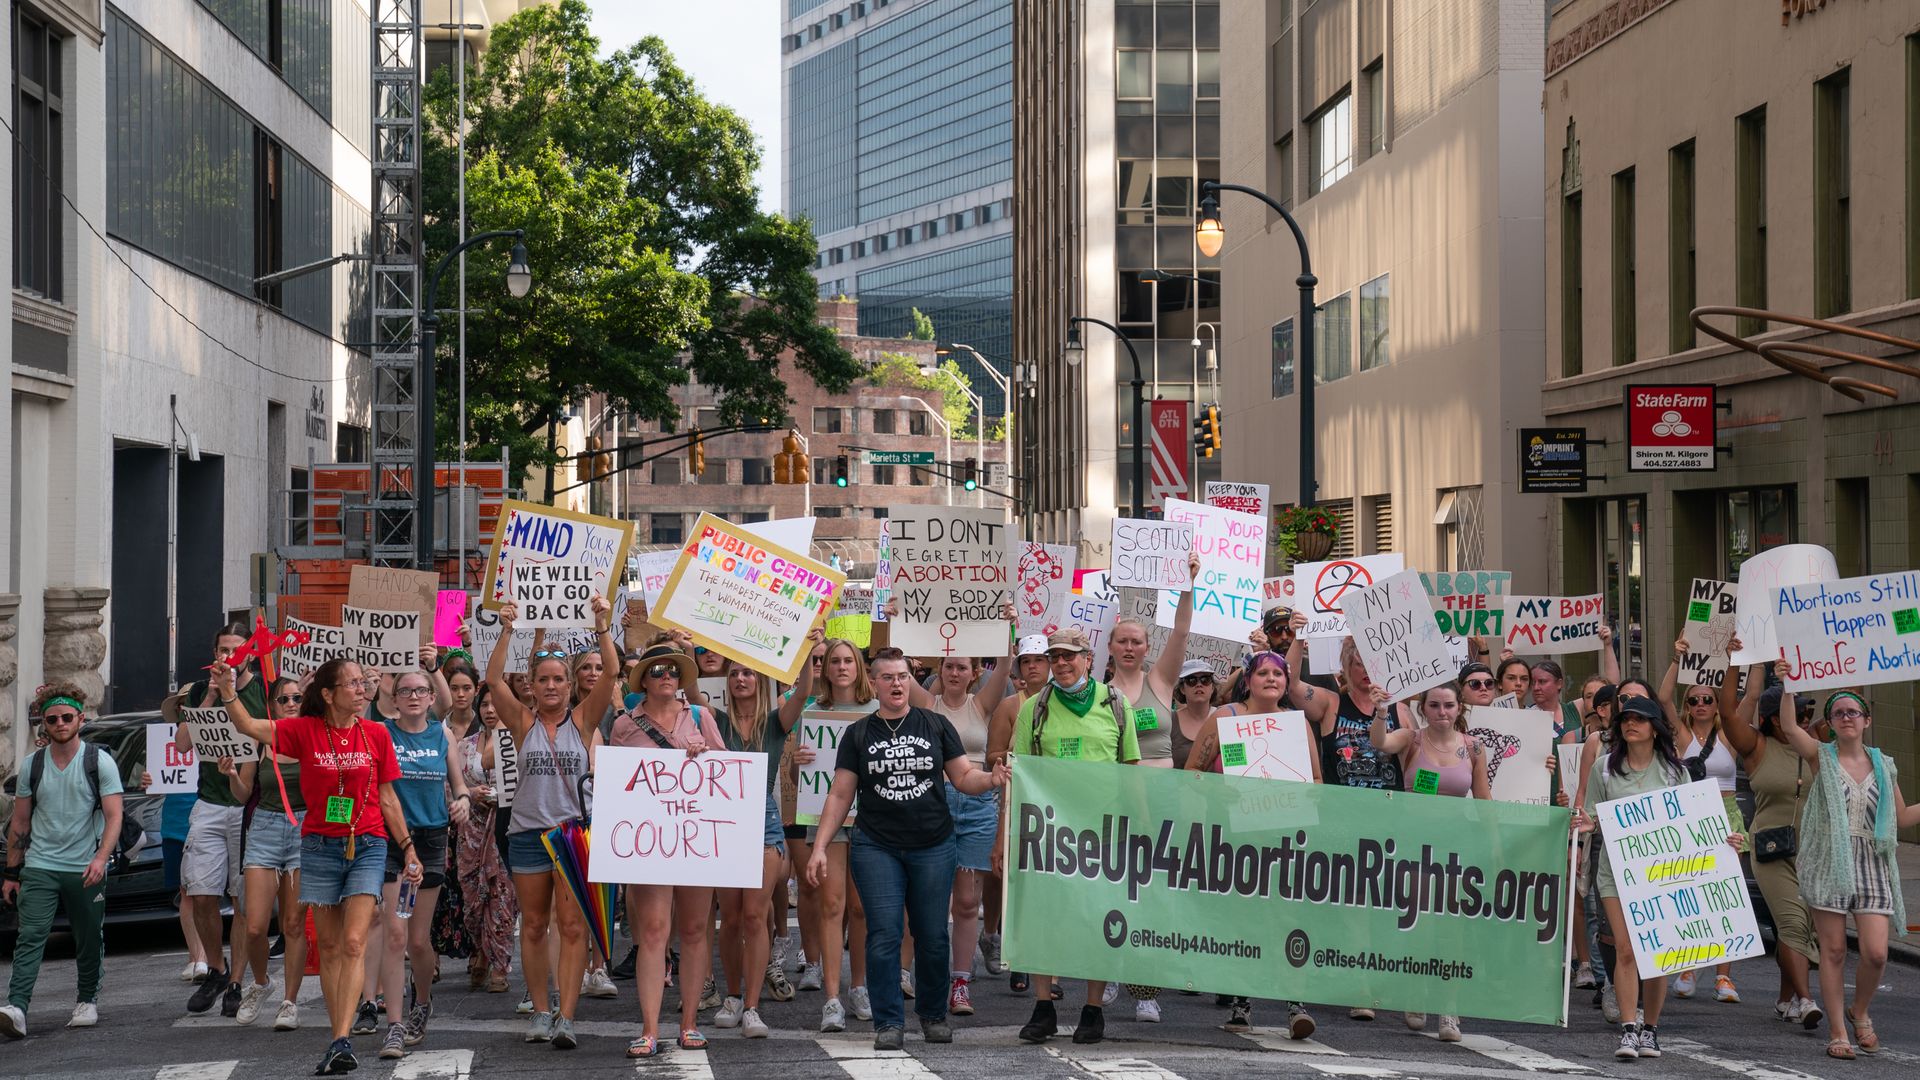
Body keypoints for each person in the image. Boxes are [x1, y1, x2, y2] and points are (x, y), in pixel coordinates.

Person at [216, 658, 421, 1075]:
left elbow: (387, 798)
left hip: (368, 844)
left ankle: (342, 1038)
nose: (362, 691)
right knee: (327, 947)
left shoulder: (376, 734)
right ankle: (338, 1037)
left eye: (364, 684)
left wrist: (409, 847)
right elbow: (249, 726)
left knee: (352, 941)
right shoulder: (305, 730)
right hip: (319, 847)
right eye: (352, 685)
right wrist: (227, 691)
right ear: (328, 694)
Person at [808, 648, 1011, 1051]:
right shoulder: (859, 733)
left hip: (933, 845)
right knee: (885, 933)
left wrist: (991, 780)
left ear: (909, 680)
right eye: (887, 677)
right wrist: (819, 847)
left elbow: (962, 776)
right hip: (876, 846)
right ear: (875, 683)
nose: (897, 683)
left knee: (932, 935)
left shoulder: (935, 725)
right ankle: (888, 1022)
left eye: (902, 676)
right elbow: (840, 794)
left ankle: (933, 1015)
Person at [483, 596, 620, 1050]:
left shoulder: (584, 720)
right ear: (533, 685)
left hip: (573, 835)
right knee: (536, 925)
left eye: (559, 678)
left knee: (574, 926)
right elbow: (492, 679)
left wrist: (601, 625)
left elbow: (613, 674)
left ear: (569, 684)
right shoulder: (522, 723)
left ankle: (567, 1015)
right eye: (543, 679)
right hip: (526, 836)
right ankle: (541, 1011)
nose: (552, 686)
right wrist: (507, 629)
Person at [1571, 694, 1732, 1061]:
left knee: (1658, 955)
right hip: (1615, 872)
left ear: (1654, 728)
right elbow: (1593, 814)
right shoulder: (1605, 769)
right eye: (1626, 718)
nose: (1631, 724)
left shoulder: (1676, 772)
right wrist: (1586, 822)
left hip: (1661, 876)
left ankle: (1651, 1030)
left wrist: (1724, 839)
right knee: (1626, 950)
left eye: (1640, 719)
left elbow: (1694, 823)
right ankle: (1629, 1029)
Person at [1182, 650, 1326, 1039]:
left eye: (1278, 674)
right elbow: (1192, 771)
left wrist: (1308, 796)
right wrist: (1219, 795)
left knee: (1286, 917)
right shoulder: (1225, 718)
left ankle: (1294, 1002)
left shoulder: (1296, 725)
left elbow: (1316, 779)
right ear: (1248, 679)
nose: (1271, 679)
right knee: (1244, 919)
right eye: (1263, 672)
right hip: (1235, 837)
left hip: (1283, 836)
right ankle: (1242, 1003)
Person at [1005, 627, 1138, 1045]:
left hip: (1104, 835)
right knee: (1046, 920)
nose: (1061, 663)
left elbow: (1131, 772)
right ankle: (1043, 1008)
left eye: (1070, 656)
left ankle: (1093, 1011)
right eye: (1055, 656)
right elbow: (1019, 774)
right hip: (1050, 835)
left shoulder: (1116, 704)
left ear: (1088, 659)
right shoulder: (1035, 708)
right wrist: (1008, 836)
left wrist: (1139, 830)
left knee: (1100, 921)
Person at [1774, 680, 1917, 1060]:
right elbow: (1789, 727)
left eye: (1853, 712)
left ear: (1867, 720)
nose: (1846, 718)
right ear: (1831, 723)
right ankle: (1839, 1031)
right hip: (1830, 861)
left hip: (1873, 860)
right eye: (1838, 713)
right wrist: (1789, 686)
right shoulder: (1821, 755)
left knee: (1876, 953)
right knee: (1834, 950)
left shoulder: (1884, 765)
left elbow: (1901, 818)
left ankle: (1861, 1010)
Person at [607, 643, 729, 1058]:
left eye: (673, 670)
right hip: (650, 843)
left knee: (695, 930)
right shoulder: (624, 726)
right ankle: (649, 1028)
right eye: (657, 669)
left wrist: (706, 754)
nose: (666, 676)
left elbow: (726, 773)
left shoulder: (700, 716)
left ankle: (690, 1022)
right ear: (642, 679)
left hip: (694, 838)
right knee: (654, 932)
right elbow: (616, 787)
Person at [353, 666, 470, 1059]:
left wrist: (463, 802)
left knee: (419, 941)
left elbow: (459, 785)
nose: (414, 697)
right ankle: (396, 1026)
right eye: (406, 691)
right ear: (396, 698)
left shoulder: (443, 735)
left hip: (432, 839)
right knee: (396, 934)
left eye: (421, 691)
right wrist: (368, 685)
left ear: (432, 698)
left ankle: (422, 1002)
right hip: (392, 840)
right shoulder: (383, 733)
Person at [2, 684, 125, 1039]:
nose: (59, 723)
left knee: (87, 936)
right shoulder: (32, 765)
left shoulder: (98, 761)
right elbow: (20, 822)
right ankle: (17, 1008)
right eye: (51, 718)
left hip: (86, 866)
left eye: (66, 717)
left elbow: (115, 815)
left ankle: (87, 999)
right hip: (40, 865)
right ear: (44, 723)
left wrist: (102, 858)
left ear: (80, 719)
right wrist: (12, 873)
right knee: (31, 935)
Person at [1370, 681, 1487, 1043]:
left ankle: (1448, 1008)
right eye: (1434, 705)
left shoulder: (1473, 747)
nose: (1442, 712)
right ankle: (1415, 990)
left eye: (1449, 705)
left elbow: (1485, 801)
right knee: (1417, 923)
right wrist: (1380, 712)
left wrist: (1496, 848)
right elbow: (1380, 743)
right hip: (1414, 848)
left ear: (1459, 708)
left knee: (1452, 929)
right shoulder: (1411, 739)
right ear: (1424, 708)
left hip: (1456, 849)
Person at [166, 622, 267, 1018]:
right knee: (202, 892)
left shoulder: (263, 690)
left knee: (243, 897)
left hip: (248, 805)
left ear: (249, 654)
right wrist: (209, 696)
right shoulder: (197, 689)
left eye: (236, 650)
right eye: (222, 649)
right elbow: (182, 743)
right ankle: (217, 968)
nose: (228, 657)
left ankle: (238, 980)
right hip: (209, 802)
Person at [913, 642, 1013, 1021]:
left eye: (962, 668)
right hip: (934, 804)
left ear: (974, 673)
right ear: (939, 670)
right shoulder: (928, 705)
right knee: (932, 900)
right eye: (949, 666)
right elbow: (897, 669)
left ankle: (961, 983)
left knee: (969, 903)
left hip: (977, 806)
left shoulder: (981, 704)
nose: (954, 673)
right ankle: (933, 978)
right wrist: (895, 620)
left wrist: (1008, 627)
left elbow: (1004, 666)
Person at [1717, 661, 1819, 1028]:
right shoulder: (1756, 745)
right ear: (1777, 718)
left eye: (1808, 711)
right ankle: (1807, 1000)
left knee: (1802, 928)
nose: (1808, 717)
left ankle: (1785, 999)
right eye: (1802, 711)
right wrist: (1733, 664)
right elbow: (1727, 711)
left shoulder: (1814, 746)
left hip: (1810, 851)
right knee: (1792, 924)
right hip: (1771, 849)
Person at [782, 634, 876, 1032]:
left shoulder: (878, 710)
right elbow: (794, 776)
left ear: (859, 668)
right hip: (828, 820)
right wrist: (798, 762)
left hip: (872, 822)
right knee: (831, 903)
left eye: (847, 661)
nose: (840, 667)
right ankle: (833, 999)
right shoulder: (812, 711)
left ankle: (860, 987)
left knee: (861, 908)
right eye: (834, 660)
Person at [713, 659, 797, 1039]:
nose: (740, 679)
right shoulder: (713, 719)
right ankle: (731, 996)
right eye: (733, 674)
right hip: (723, 819)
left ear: (761, 681)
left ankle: (751, 1006)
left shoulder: (776, 721)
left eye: (748, 673)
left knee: (754, 915)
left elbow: (806, 692)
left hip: (762, 818)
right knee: (729, 918)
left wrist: (809, 647)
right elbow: (693, 693)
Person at [1656, 637, 1744, 1004]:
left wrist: (1735, 659)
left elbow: (1742, 699)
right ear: (1687, 706)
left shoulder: (1730, 734)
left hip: (1726, 814)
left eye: (1708, 699)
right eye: (1694, 699)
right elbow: (1662, 698)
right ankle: (1689, 966)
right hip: (1691, 814)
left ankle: (1724, 977)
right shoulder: (1682, 734)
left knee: (1725, 896)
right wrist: (1676, 657)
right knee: (1691, 893)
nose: (1702, 704)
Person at [236, 677, 310, 1030]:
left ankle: (290, 1002)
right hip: (265, 827)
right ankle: (262, 982)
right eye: (285, 698)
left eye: (298, 697)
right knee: (254, 926)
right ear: (273, 705)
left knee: (294, 924)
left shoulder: (313, 736)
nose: (292, 702)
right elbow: (241, 794)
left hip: (304, 828)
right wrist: (230, 775)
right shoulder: (260, 738)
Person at [987, 634, 1052, 997]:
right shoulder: (1010, 706)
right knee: (1018, 886)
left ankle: (1046, 963)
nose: (1032, 666)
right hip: (1019, 802)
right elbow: (992, 754)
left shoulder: (1062, 704)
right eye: (1026, 661)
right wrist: (1023, 763)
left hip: (1057, 806)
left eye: (1039, 660)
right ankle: (1019, 957)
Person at [454, 681, 518, 995]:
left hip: (504, 829)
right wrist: (469, 794)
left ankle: (500, 965)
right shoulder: (464, 746)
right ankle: (479, 949)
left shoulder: (518, 741)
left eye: (496, 704)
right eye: (485, 705)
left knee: (503, 898)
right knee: (472, 900)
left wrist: (504, 797)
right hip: (471, 833)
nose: (490, 710)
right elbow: (451, 787)